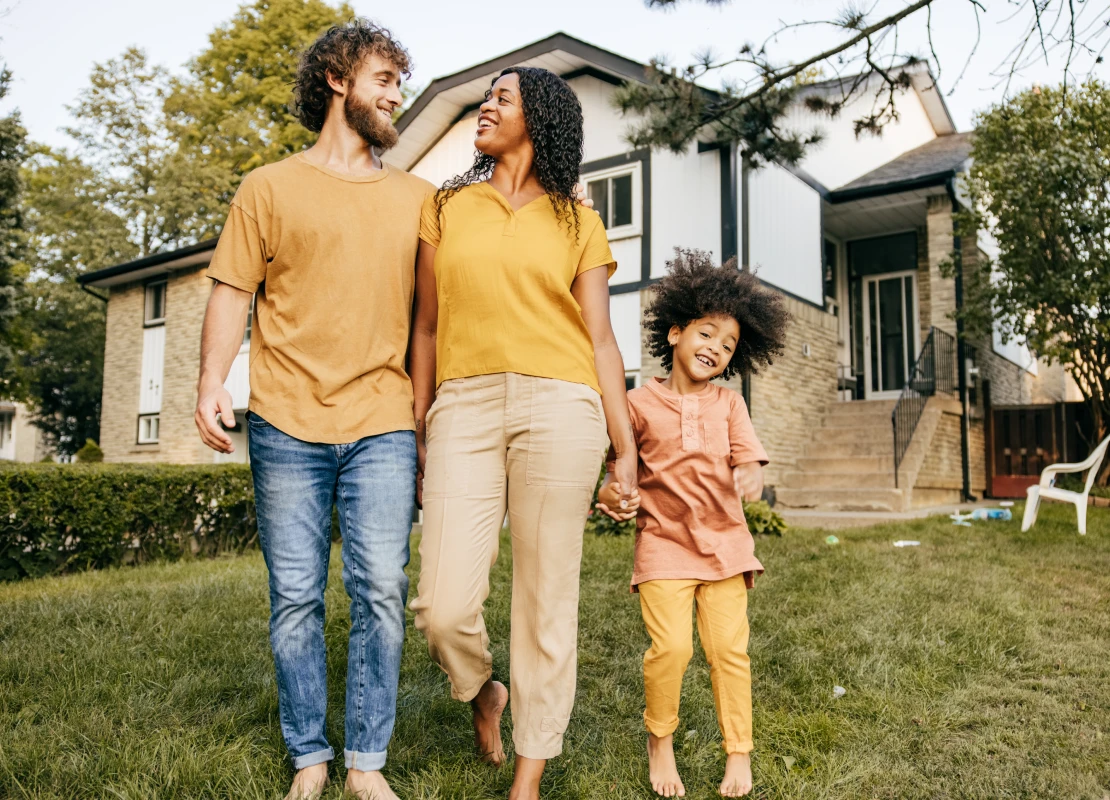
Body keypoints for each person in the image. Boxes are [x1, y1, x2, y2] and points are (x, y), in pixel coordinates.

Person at [194, 21, 432, 800]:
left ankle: (366, 761)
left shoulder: (420, 199)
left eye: (401, 81)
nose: (397, 94)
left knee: (381, 591)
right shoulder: (268, 187)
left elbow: (437, 315)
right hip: (286, 420)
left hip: (384, 420)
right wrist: (208, 385)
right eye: (385, 78)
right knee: (295, 596)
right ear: (337, 78)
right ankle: (310, 755)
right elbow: (233, 291)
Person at [407, 66, 638, 800]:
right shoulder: (448, 208)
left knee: (545, 599)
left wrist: (625, 446)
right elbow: (426, 324)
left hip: (562, 407)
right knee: (441, 606)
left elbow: (600, 339)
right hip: (463, 406)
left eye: (502, 98)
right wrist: (420, 420)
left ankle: (529, 777)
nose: (486, 105)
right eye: (487, 95)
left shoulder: (578, 221)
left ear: (538, 118)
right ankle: (483, 693)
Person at [596, 250, 789, 798]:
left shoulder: (729, 405)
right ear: (675, 332)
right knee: (673, 649)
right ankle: (661, 739)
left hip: (726, 548)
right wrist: (613, 495)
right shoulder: (636, 404)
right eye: (706, 334)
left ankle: (738, 752)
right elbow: (615, 473)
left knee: (729, 650)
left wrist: (749, 472)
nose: (716, 349)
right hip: (663, 547)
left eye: (728, 346)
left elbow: (747, 455)